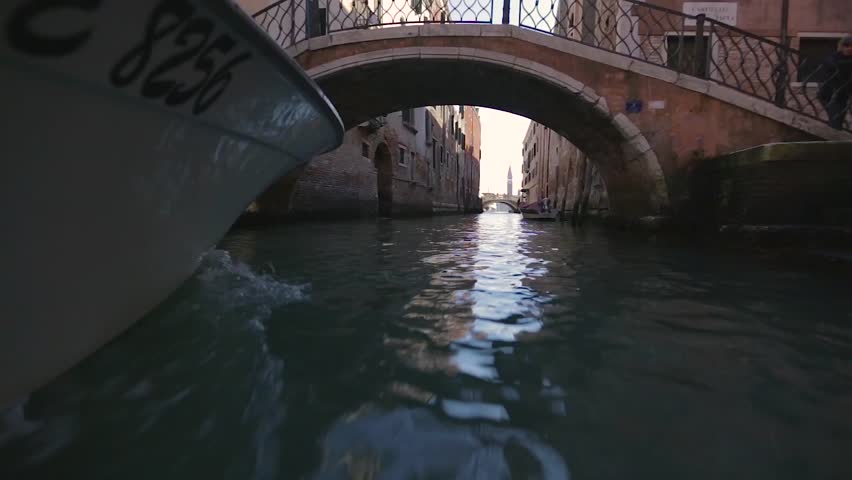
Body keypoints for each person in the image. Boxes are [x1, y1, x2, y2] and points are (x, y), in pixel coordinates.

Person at [817, 34, 852, 129]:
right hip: (830, 95)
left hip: (843, 95)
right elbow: (831, 66)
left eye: (851, 46)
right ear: (841, 46)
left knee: (839, 121)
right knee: (835, 121)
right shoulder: (833, 58)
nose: (849, 48)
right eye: (846, 45)